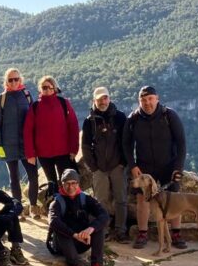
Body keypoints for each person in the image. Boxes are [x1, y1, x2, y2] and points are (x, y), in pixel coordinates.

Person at [123, 85, 188, 250]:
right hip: (144, 167)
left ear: (157, 99)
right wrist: (133, 165)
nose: (147, 103)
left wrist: (178, 167)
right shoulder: (133, 119)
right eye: (143, 100)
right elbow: (126, 144)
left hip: (168, 164)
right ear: (139, 101)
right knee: (142, 199)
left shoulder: (169, 115)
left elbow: (181, 143)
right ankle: (142, 233)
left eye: (150, 99)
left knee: (173, 198)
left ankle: (176, 233)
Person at [81, 87, 129, 243]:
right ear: (94, 101)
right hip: (99, 168)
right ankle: (104, 230)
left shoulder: (120, 117)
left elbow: (127, 142)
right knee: (101, 200)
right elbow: (86, 146)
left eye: (105, 98)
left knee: (121, 199)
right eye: (99, 99)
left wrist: (123, 163)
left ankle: (121, 230)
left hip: (117, 166)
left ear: (110, 98)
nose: (102, 101)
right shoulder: (90, 121)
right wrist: (93, 168)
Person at [0, 68, 42, 220]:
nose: (13, 82)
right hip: (8, 145)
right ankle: (18, 209)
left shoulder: (26, 95)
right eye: (10, 80)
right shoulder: (1, 98)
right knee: (14, 178)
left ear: (21, 80)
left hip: (27, 144)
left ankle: (33, 207)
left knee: (33, 175)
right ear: (5, 82)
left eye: (16, 79)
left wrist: (35, 143)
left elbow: (35, 120)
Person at [48, 169, 109, 266]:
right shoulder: (56, 202)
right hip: (64, 245)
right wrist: (74, 235)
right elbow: (53, 221)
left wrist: (90, 229)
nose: (71, 187)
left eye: (74, 183)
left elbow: (104, 214)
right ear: (62, 184)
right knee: (60, 230)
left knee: (99, 228)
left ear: (78, 184)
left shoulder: (85, 198)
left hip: (83, 242)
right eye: (67, 184)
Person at [23, 75, 79, 197]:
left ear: (54, 88)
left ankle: (69, 208)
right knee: (52, 183)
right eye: (44, 87)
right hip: (44, 153)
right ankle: (56, 208)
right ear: (40, 89)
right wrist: (30, 154)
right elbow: (28, 131)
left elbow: (73, 126)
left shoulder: (63, 103)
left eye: (49, 87)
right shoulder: (35, 106)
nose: (47, 90)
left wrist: (74, 149)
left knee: (66, 181)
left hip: (63, 151)